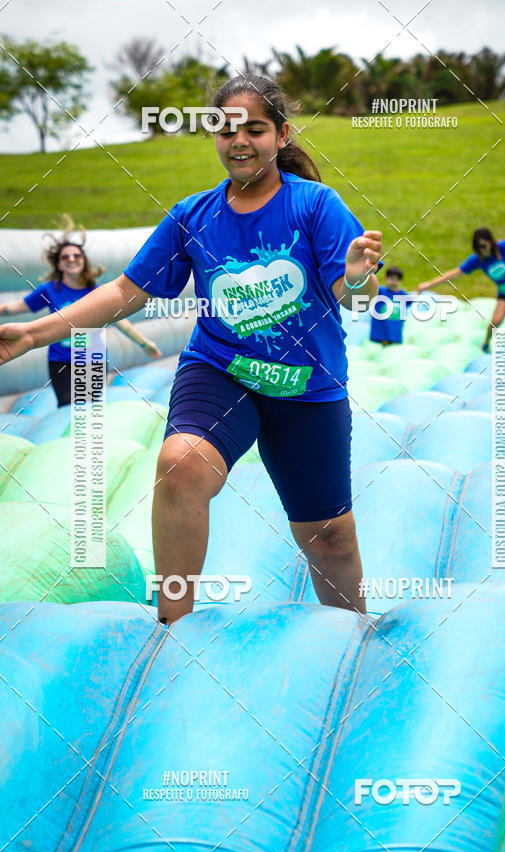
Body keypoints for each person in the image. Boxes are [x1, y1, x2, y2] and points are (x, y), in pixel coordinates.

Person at [0, 75, 383, 623]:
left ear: (282, 135)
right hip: (220, 371)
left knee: (331, 540)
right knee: (179, 466)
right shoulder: (192, 217)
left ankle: (355, 637)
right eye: (226, 130)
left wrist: (358, 278)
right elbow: (126, 291)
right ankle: (172, 629)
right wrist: (35, 333)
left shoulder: (317, 206)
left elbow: (356, 298)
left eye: (255, 128)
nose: (240, 141)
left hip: (306, 386)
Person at [0, 217, 162, 406]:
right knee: (68, 405)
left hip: (93, 361)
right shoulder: (50, 290)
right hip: (61, 361)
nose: (71, 259)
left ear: (84, 261)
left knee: (88, 408)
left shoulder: (97, 291)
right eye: (65, 257)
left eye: (76, 256)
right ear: (59, 265)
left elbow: (120, 320)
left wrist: (144, 343)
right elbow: (15, 307)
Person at [369, 266, 413, 346]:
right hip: (382, 330)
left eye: (397, 280)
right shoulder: (380, 291)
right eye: (392, 279)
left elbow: (413, 300)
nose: (394, 282)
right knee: (384, 346)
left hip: (395, 330)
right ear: (386, 279)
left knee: (393, 348)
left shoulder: (402, 295)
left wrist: (421, 291)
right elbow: (370, 285)